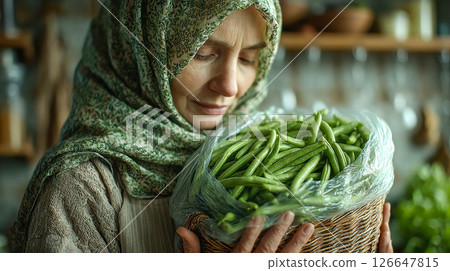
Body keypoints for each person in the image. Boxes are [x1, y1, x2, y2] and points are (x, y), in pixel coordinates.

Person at [11, 0, 393, 253]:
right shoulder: (82, 191)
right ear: (138, 50)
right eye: (203, 53)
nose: (229, 86)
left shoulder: (248, 156)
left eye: (247, 59)